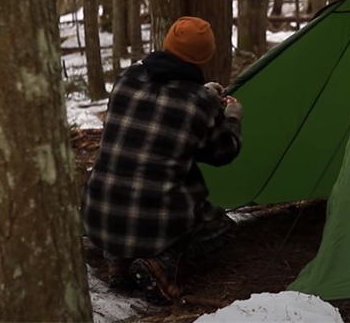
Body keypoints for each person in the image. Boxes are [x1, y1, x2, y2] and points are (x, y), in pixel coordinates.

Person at [82, 16, 243, 304]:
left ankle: (118, 263)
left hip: (98, 214)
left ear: (166, 43)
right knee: (222, 230)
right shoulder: (198, 103)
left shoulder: (126, 79)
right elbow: (223, 153)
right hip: (153, 221)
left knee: (130, 189)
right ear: (205, 56)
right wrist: (231, 119)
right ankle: (160, 263)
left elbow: (158, 104)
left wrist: (201, 95)